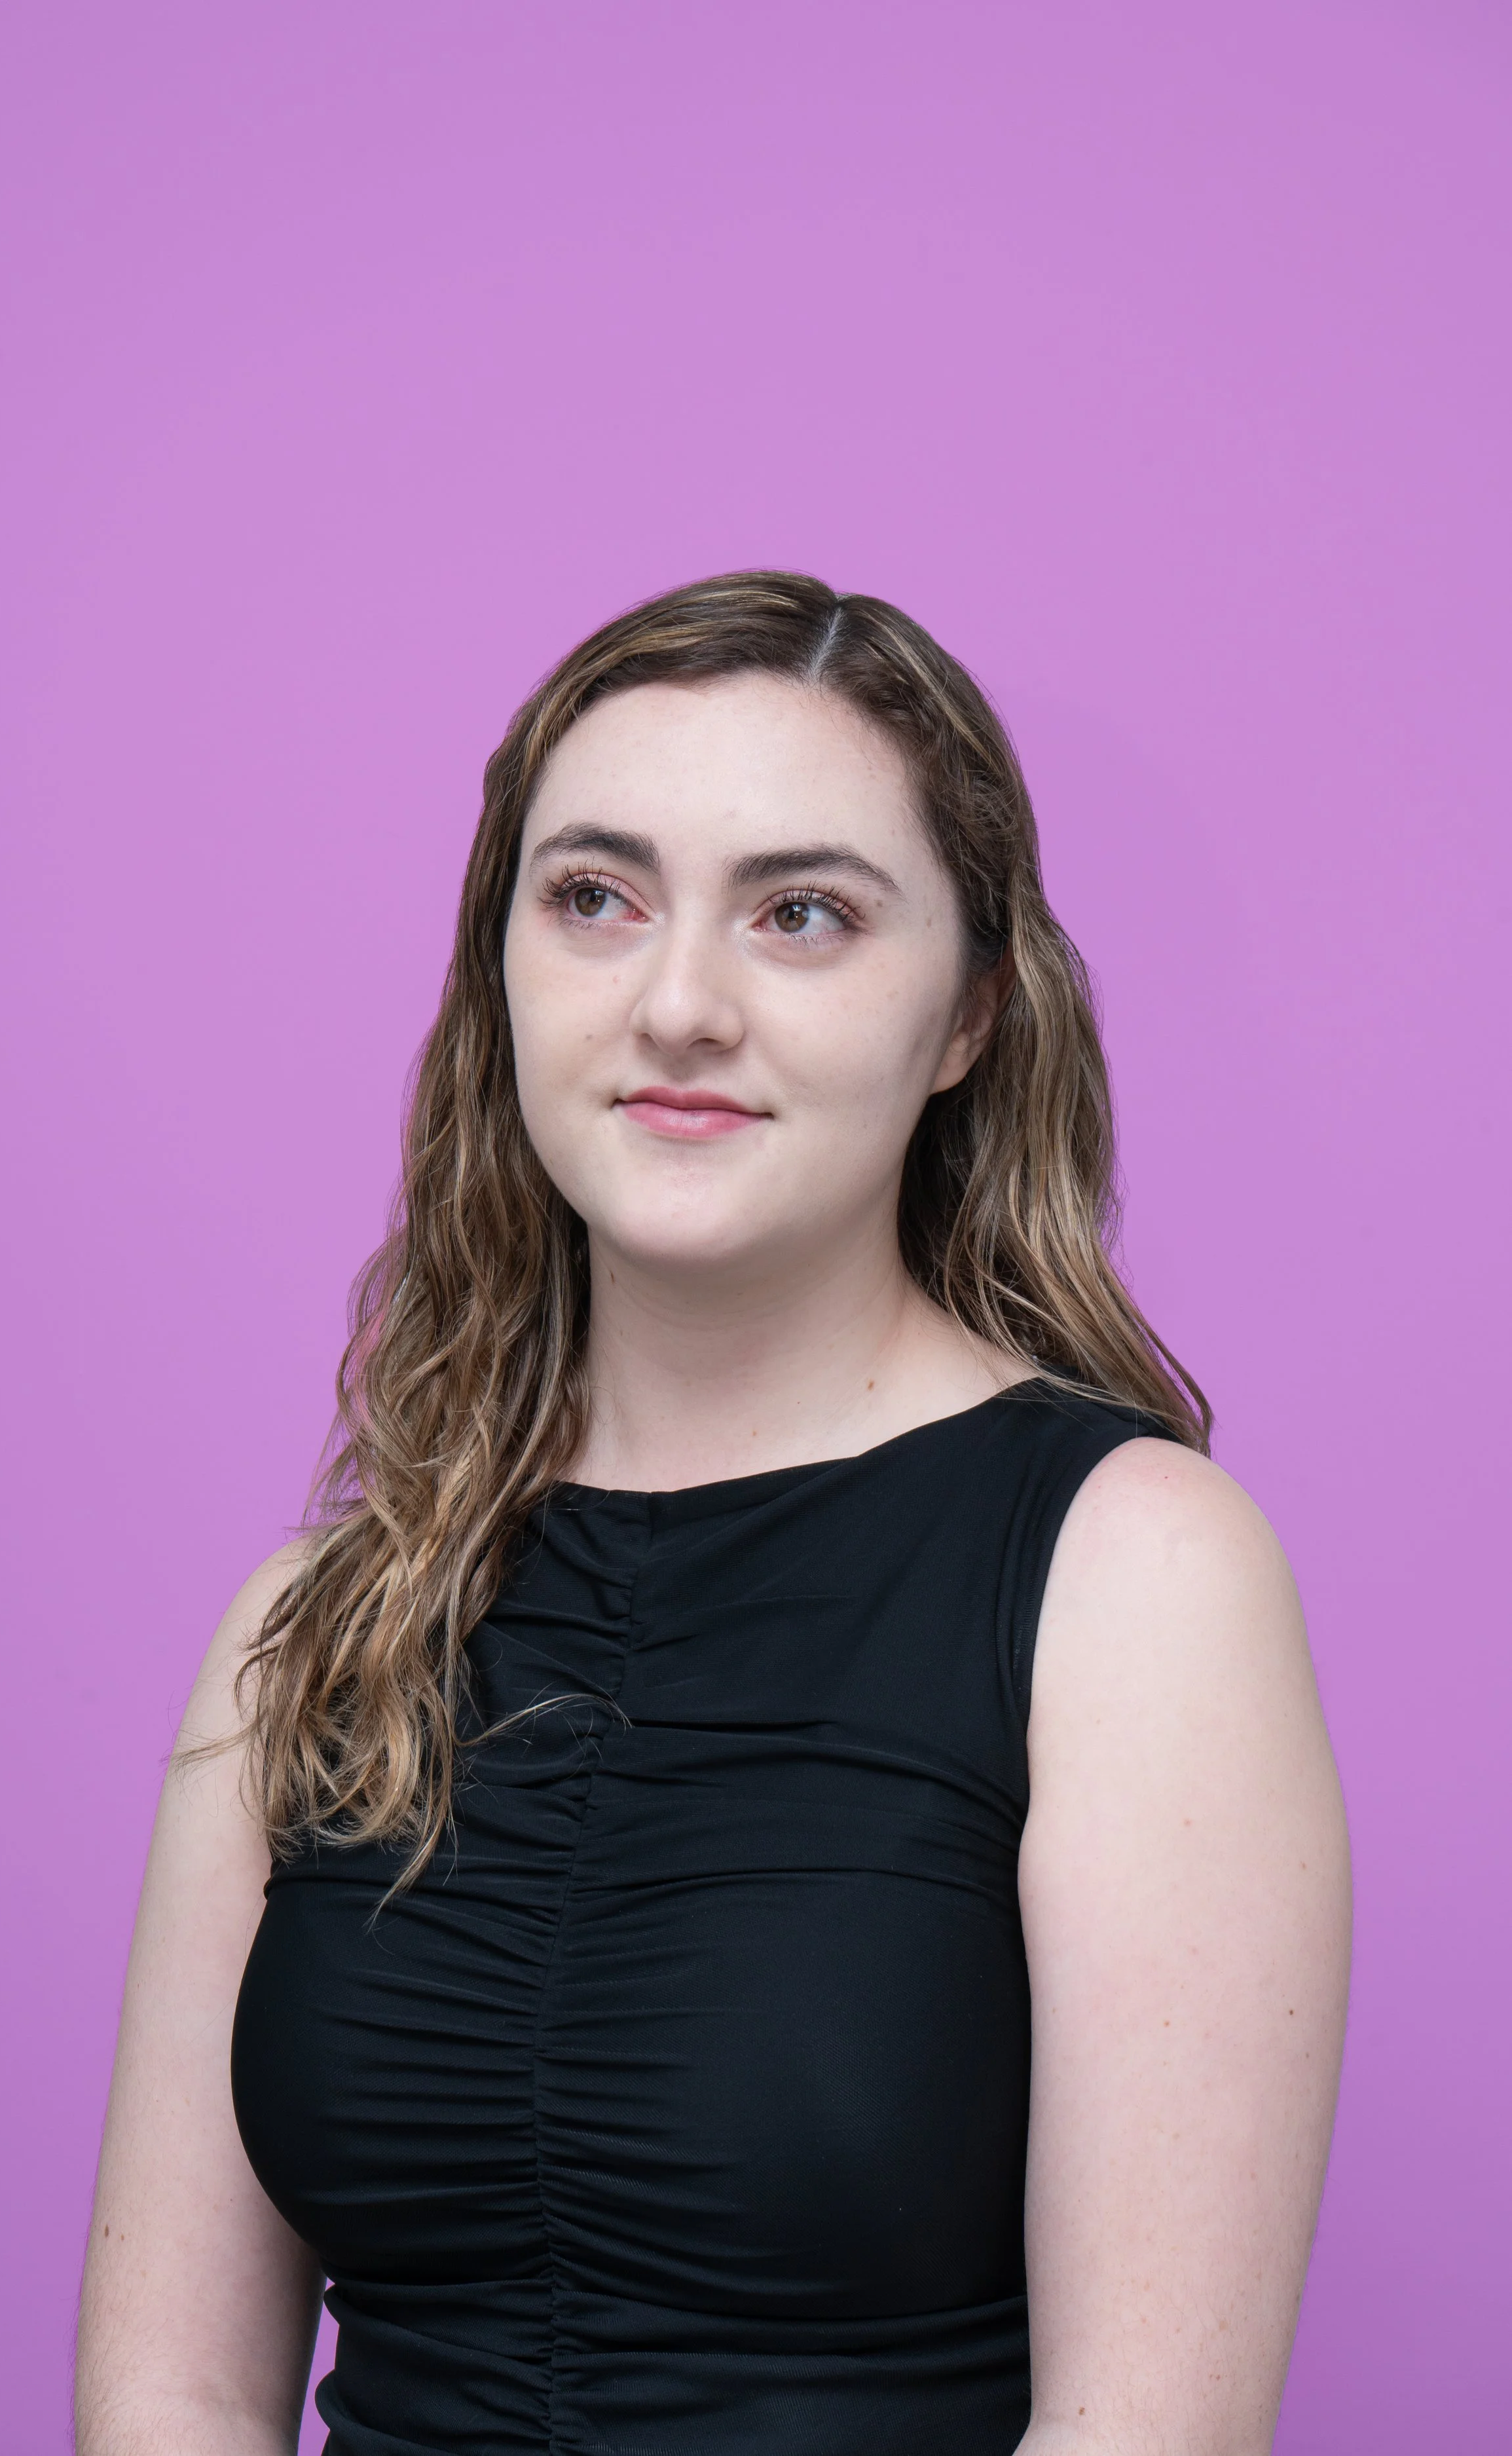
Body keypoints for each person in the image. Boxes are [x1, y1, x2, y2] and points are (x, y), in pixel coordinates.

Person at [74, 571, 1351, 2456]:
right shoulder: (313, 1622)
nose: (678, 1002)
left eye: (803, 913)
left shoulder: (1134, 1576)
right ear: (499, 962)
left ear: (965, 1018)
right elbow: (171, 2393)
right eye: (593, 896)